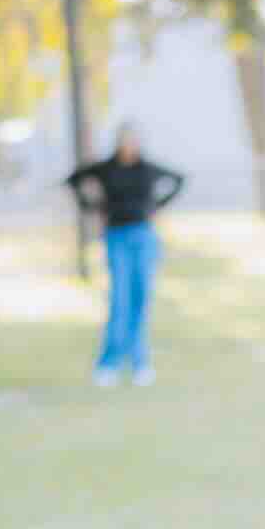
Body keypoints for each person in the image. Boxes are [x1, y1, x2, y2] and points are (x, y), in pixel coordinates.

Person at [64, 122, 185, 387]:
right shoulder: (107, 169)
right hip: (116, 237)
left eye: (133, 140)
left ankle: (140, 362)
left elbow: (179, 179)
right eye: (124, 140)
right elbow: (73, 180)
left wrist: (157, 206)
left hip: (144, 236)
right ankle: (108, 363)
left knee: (140, 299)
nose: (128, 146)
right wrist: (91, 207)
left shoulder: (146, 169)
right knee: (119, 299)